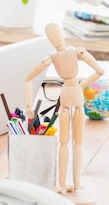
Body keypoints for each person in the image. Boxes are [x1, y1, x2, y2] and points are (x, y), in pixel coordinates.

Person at [25, 22, 104, 202]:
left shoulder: (53, 57)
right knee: (76, 142)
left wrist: (29, 105)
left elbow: (28, 78)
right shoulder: (76, 51)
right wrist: (80, 85)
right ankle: (72, 184)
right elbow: (99, 71)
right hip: (73, 93)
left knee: (66, 142)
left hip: (68, 93)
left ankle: (66, 183)